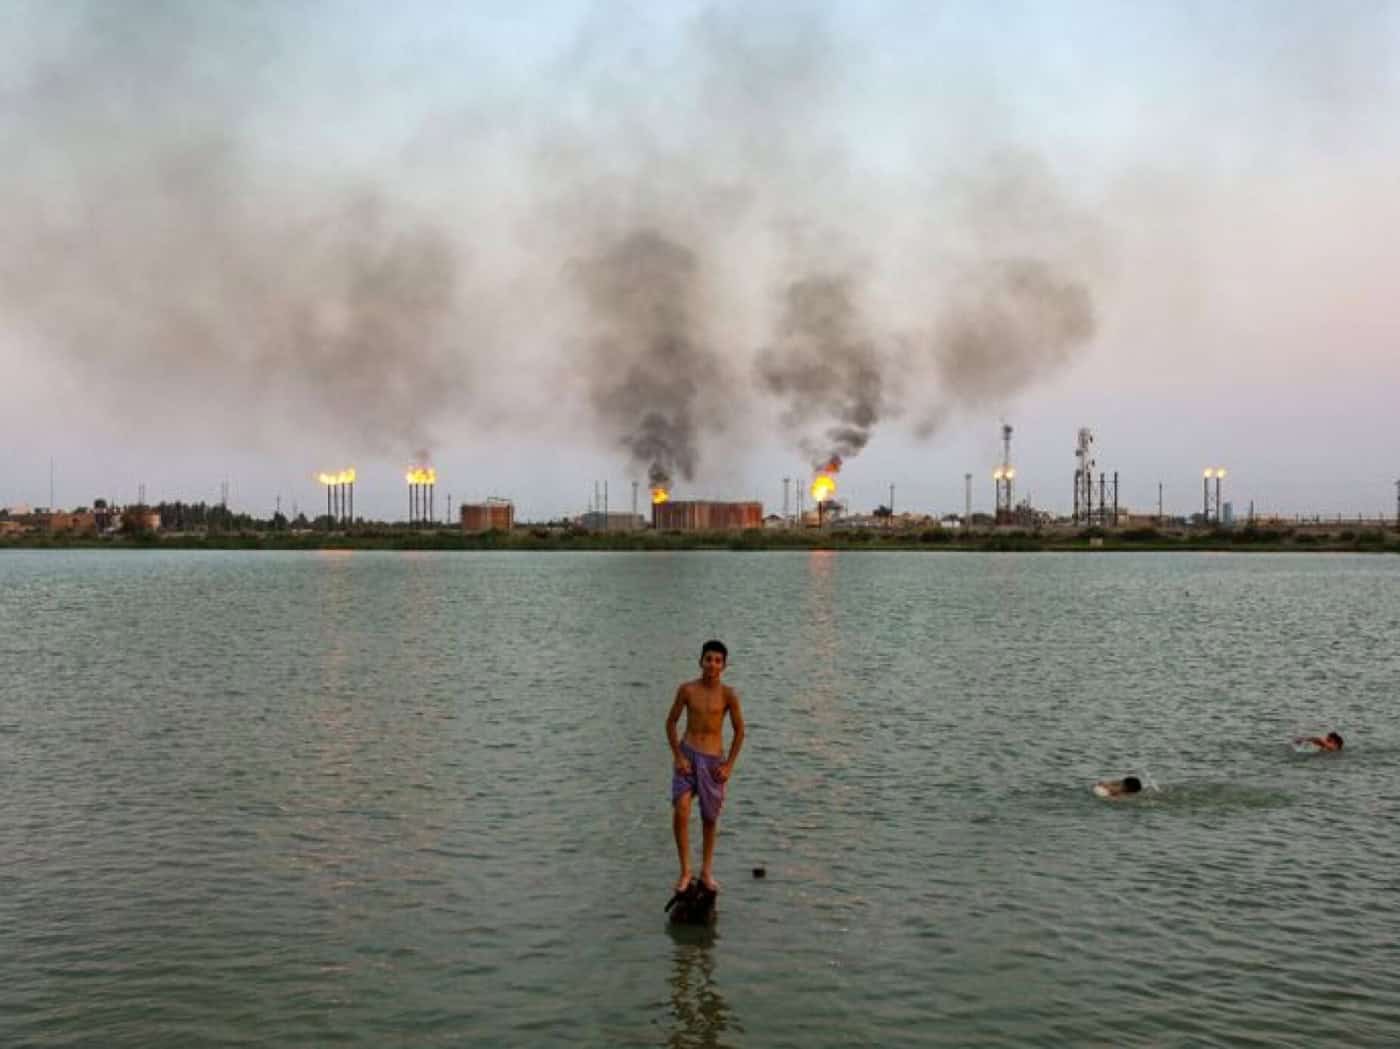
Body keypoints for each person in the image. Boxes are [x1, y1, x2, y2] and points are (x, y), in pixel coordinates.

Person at [666, 640, 746, 894]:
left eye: (717, 660)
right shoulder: (687, 690)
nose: (712, 664)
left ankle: (706, 871)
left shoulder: (728, 695)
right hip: (688, 756)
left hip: (713, 761)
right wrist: (678, 756)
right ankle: (686, 871)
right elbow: (670, 723)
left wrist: (729, 766)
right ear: (700, 661)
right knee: (681, 809)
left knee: (709, 818)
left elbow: (740, 731)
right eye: (708, 659)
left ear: (724, 665)